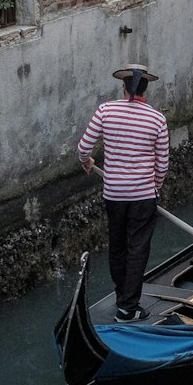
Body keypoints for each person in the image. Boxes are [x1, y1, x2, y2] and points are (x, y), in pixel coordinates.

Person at [78, 62, 169, 322]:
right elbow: (162, 165)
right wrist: (155, 188)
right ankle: (128, 308)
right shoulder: (157, 119)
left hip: (114, 194)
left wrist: (87, 162)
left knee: (117, 247)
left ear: (123, 87)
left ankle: (123, 299)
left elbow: (83, 147)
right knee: (137, 249)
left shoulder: (106, 110)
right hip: (143, 196)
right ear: (145, 88)